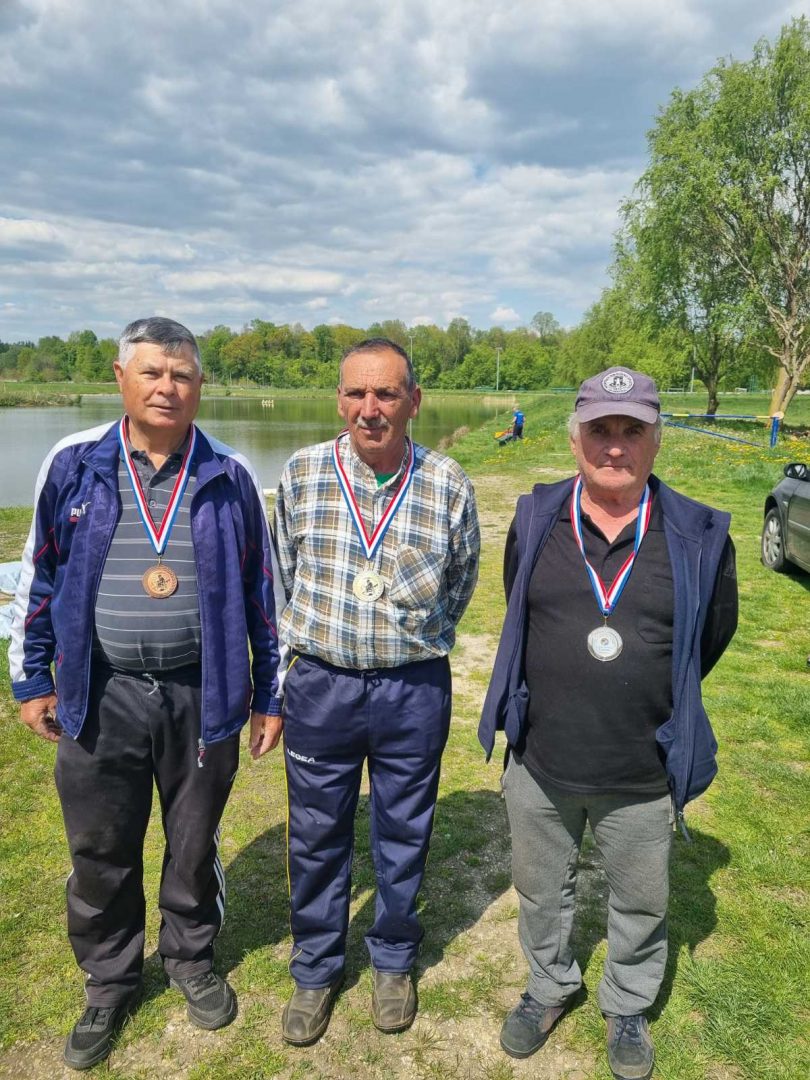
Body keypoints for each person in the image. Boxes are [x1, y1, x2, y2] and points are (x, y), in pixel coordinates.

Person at [9, 317, 283, 1071]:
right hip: (101, 691)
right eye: (153, 372)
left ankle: (190, 958)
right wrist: (32, 677)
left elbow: (263, 593)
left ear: (200, 385)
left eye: (182, 374)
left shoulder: (228, 473)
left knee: (193, 840)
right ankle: (110, 980)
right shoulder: (74, 464)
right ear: (121, 377)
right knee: (100, 845)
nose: (168, 387)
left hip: (203, 692)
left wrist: (268, 693)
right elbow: (39, 576)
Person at [479, 367, 737, 1080]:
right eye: (600, 429)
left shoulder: (698, 534)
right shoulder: (536, 519)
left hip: (642, 765)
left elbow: (711, 636)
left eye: (632, 430)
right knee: (540, 889)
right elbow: (519, 605)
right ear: (575, 438)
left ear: (657, 440)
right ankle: (549, 985)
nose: (615, 446)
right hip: (542, 759)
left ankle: (627, 1003)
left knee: (641, 900)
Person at [274, 338, 480, 1046]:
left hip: (411, 689)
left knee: (404, 832)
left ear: (413, 401)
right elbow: (283, 573)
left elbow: (461, 580)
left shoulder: (447, 482)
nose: (371, 409)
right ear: (339, 400)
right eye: (356, 393)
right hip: (321, 686)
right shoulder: (302, 474)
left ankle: (393, 960)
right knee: (315, 834)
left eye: (386, 393)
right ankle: (315, 968)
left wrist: (416, 640)